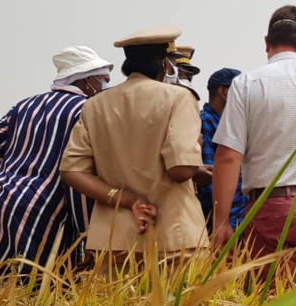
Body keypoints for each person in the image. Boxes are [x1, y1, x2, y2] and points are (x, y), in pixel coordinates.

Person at [60, 26, 210, 280]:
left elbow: (71, 171)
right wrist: (200, 166)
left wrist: (125, 199)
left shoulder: (95, 104)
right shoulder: (179, 98)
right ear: (165, 65)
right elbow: (180, 170)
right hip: (174, 235)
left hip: (113, 239)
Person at [212, 5, 296, 285]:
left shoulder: (246, 83)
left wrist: (221, 221)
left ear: (266, 43)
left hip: (272, 208)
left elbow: (227, 157)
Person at [0, 46, 112, 279]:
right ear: (88, 81)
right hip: (45, 208)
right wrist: (87, 235)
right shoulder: (87, 110)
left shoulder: (26, 104)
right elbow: (79, 179)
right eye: (104, 80)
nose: (105, 87)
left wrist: (17, 165)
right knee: (48, 290)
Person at [196, 68, 246, 234]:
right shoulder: (204, 121)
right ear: (223, 92)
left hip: (238, 217)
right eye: (240, 91)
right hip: (223, 222)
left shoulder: (232, 124)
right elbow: (211, 176)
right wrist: (221, 221)